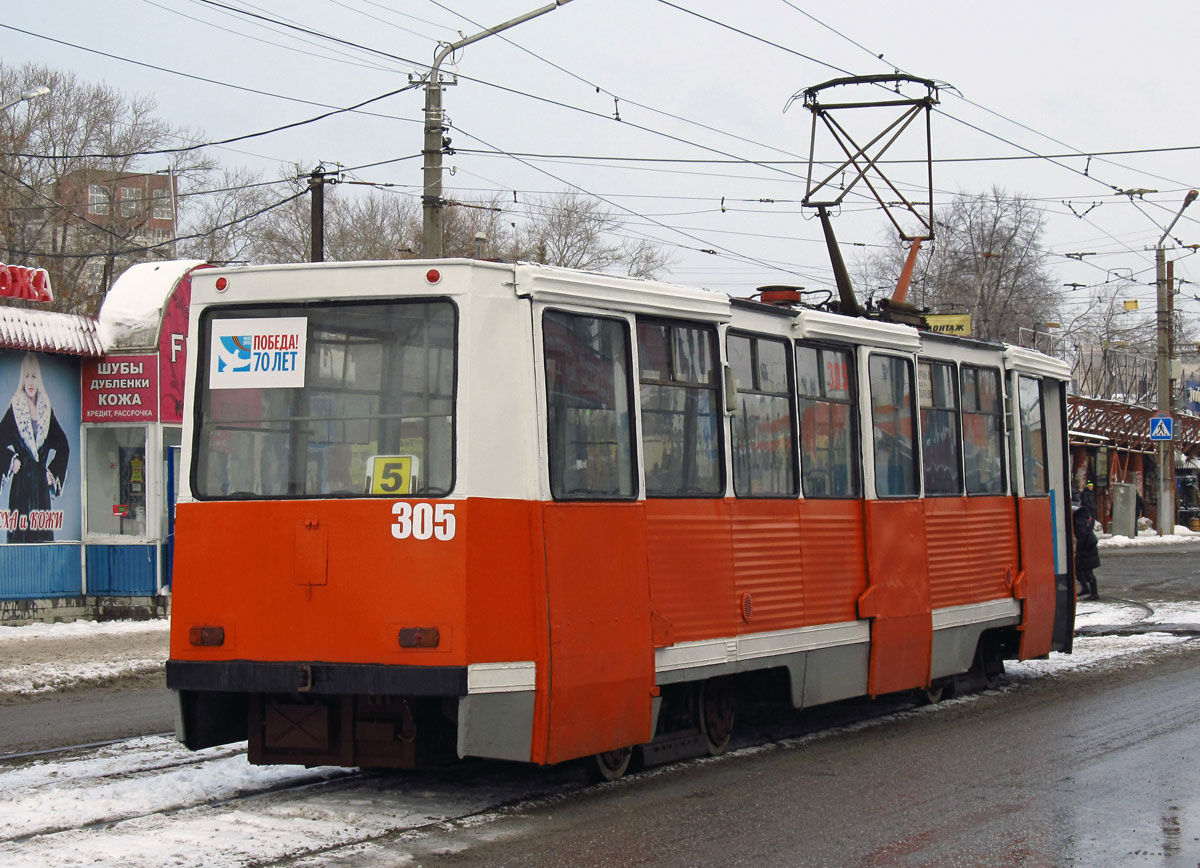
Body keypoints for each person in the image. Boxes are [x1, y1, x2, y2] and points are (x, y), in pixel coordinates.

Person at [0, 353, 70, 543]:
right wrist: (11, 460)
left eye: (34, 376)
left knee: (42, 537)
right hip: (20, 488)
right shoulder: (15, 408)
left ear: (39, 379)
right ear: (22, 378)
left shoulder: (46, 409)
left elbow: (63, 445)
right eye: (27, 376)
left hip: (40, 488)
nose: (30, 382)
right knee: (20, 539)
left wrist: (52, 472)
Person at [1073, 503, 1101, 601]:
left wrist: (1079, 547)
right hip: (1088, 549)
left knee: (1087, 572)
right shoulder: (1084, 520)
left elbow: (1083, 536)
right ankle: (1087, 589)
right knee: (1080, 570)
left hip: (1086, 550)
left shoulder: (1080, 522)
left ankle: (1094, 593)